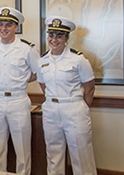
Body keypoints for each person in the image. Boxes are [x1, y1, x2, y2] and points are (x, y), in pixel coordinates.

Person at [38, 16, 97, 175]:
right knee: (53, 154)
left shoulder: (78, 59)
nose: (54, 39)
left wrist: (81, 107)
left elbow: (89, 88)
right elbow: (43, 85)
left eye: (59, 35)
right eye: (51, 35)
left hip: (74, 109)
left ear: (66, 38)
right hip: (50, 110)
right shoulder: (42, 60)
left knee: (81, 154)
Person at [0, 7, 40, 174]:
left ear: (15, 27)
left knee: (22, 148)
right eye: (1, 24)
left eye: (8, 25)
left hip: (18, 101)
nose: (3, 29)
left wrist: (21, 81)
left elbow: (37, 73)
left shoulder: (27, 49)